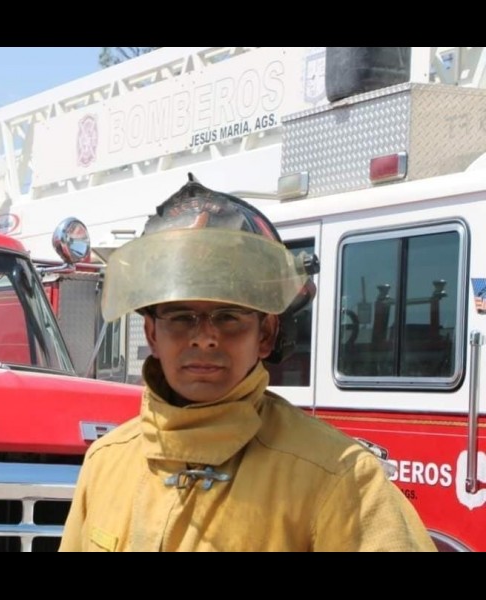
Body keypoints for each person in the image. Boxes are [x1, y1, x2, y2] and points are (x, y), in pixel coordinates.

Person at [59, 174, 436, 552]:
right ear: (153, 334)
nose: (204, 337)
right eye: (180, 316)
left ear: (266, 334)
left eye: (228, 316)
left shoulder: (342, 478)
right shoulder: (106, 463)